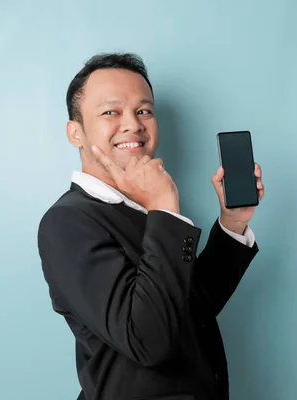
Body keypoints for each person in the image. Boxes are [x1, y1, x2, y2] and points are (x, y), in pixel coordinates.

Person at [37, 52, 265, 400]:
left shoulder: (141, 208)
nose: (133, 124)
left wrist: (232, 222)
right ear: (76, 132)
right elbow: (145, 339)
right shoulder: (68, 221)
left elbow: (189, 310)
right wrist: (163, 207)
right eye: (111, 112)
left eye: (143, 110)